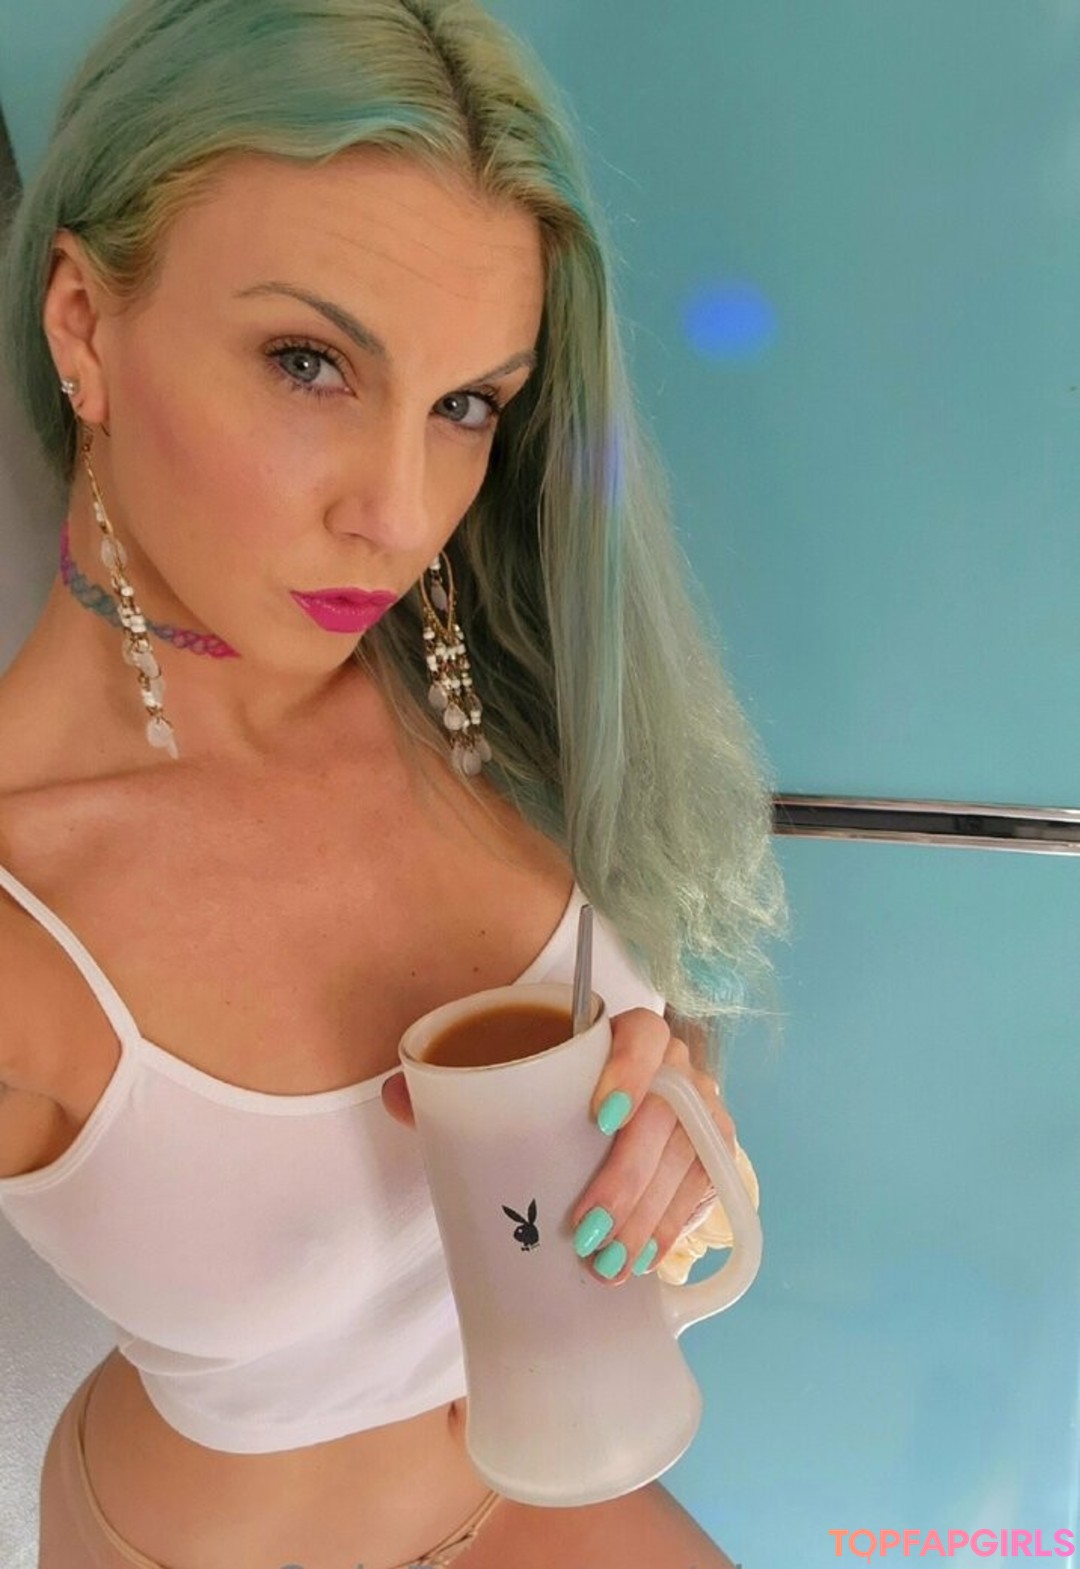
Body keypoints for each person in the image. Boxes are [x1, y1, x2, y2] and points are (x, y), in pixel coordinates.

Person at [0, 1, 788, 1564]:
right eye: (310, 363)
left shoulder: (500, 687)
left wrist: (669, 1131)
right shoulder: (27, 904)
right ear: (83, 325)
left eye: (466, 403)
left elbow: (634, 1042)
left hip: (549, 1492)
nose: (402, 510)